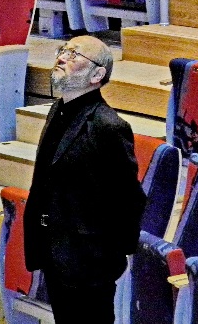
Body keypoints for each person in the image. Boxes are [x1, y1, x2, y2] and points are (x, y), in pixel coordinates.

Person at [23, 35, 146, 323]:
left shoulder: (108, 126)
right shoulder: (58, 109)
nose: (63, 57)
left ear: (97, 74)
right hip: (56, 251)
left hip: (89, 263)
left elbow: (130, 199)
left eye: (75, 54)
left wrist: (107, 258)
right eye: (63, 50)